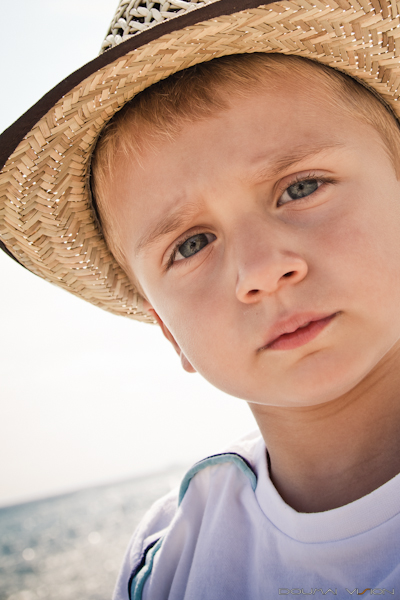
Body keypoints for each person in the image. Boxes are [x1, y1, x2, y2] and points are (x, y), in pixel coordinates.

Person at [1, 1, 400, 599]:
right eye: (191, 245)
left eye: (301, 187)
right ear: (167, 329)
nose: (262, 272)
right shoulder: (165, 560)